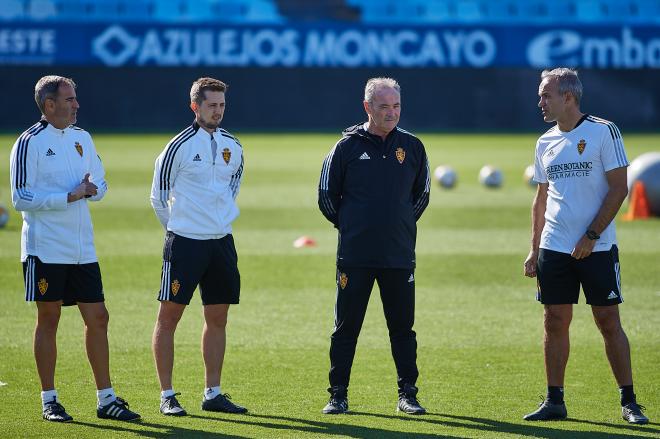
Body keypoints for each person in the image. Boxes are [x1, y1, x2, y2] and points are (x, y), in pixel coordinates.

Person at [8, 75, 140, 423]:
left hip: (83, 247)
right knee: (49, 318)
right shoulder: (28, 142)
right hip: (45, 247)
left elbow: (101, 181)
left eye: (75, 98)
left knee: (98, 317)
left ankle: (106, 399)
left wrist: (93, 189)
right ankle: (49, 399)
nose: (76, 104)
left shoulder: (83, 138)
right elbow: (20, 197)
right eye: (69, 99)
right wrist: (68, 196)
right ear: (49, 105)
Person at [523, 68, 649, 425]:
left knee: (608, 321)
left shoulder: (603, 131)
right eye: (540, 95)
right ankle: (554, 401)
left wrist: (591, 236)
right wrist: (535, 249)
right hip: (554, 246)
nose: (540, 102)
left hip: (598, 247)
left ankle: (629, 401)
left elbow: (619, 188)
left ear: (568, 97)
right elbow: (541, 199)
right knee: (554, 321)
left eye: (546, 95)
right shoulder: (544, 141)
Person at [318, 77, 431, 415]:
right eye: (383, 106)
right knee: (345, 329)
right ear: (367, 107)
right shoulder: (346, 147)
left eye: (396, 106)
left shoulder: (412, 147)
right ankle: (338, 395)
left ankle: (407, 395)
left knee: (402, 329)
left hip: (398, 255)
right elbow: (326, 196)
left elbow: (421, 196)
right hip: (355, 256)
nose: (391, 112)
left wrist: (396, 225)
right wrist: (353, 226)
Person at [150, 77, 246, 417]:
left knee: (217, 317)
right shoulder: (177, 146)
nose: (218, 111)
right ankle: (167, 395)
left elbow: (232, 187)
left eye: (221, 105)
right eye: (211, 105)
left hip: (221, 244)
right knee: (169, 318)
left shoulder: (233, 145)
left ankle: (213, 392)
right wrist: (179, 229)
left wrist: (215, 222)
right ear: (195, 106)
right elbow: (158, 197)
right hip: (185, 244)